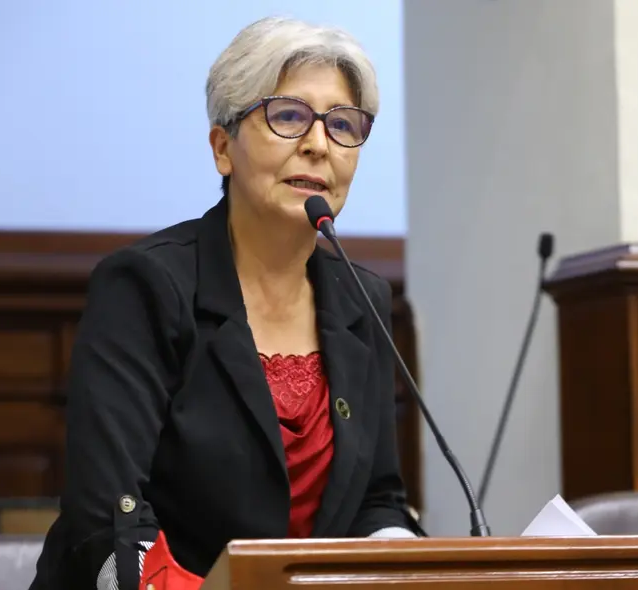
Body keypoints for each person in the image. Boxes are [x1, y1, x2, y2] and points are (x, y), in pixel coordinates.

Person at [29, 15, 422, 590]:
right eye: (289, 116)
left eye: (342, 124)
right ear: (222, 148)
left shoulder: (363, 300)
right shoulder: (145, 285)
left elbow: (377, 499)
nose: (318, 144)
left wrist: (400, 561)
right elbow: (110, 514)